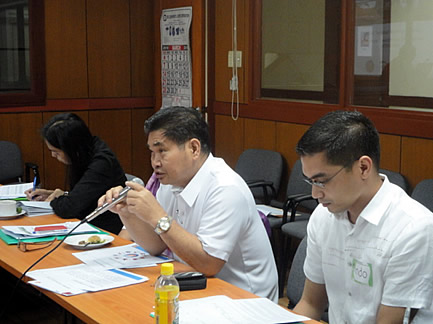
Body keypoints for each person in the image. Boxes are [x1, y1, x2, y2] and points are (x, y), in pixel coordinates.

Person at [99, 106, 278, 302]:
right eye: (152, 152)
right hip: (196, 285)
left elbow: (209, 264)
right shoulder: (171, 182)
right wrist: (126, 211)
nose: (155, 162)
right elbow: (156, 246)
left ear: (194, 148)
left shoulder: (225, 188)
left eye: (162, 151)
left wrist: (158, 217)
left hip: (244, 300)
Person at [292, 110, 433, 323]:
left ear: (363, 167)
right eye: (310, 181)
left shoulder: (413, 228)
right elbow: (311, 304)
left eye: (321, 181)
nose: (315, 194)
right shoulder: (323, 216)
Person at [25, 113, 126, 234]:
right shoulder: (84, 151)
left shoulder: (101, 163)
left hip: (105, 230)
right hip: (87, 224)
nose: (53, 156)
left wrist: (55, 201)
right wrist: (60, 195)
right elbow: (84, 195)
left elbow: (69, 208)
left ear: (71, 148)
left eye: (56, 152)